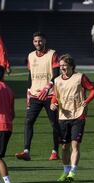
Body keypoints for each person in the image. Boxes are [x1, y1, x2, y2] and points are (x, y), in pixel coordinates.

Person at [51, 54, 94, 182]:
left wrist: (86, 101)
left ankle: (73, 171)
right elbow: (55, 95)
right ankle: (65, 171)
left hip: (78, 115)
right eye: (60, 66)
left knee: (75, 145)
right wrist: (53, 103)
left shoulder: (80, 77)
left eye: (64, 65)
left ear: (71, 66)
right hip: (63, 116)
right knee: (64, 147)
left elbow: (93, 90)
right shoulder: (57, 80)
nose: (62, 68)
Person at [16, 32, 61, 161]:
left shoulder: (52, 54)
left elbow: (57, 74)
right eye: (35, 41)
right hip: (35, 95)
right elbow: (30, 76)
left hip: (50, 95)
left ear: (45, 41)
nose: (38, 43)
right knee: (28, 122)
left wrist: (48, 87)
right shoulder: (30, 56)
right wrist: (28, 92)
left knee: (54, 123)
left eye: (40, 41)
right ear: (33, 42)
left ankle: (55, 151)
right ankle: (26, 151)